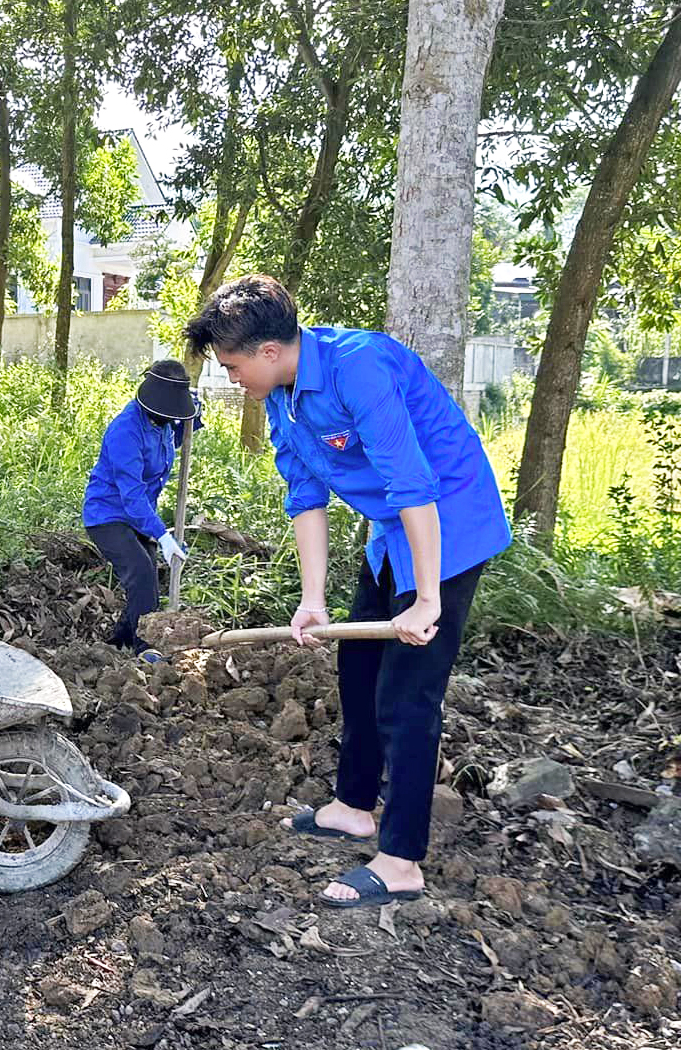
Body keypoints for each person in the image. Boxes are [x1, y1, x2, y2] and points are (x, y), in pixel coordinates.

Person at [182, 275, 511, 911]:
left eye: (232, 365)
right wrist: (313, 599)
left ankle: (400, 862)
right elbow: (305, 495)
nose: (229, 378)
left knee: (409, 696)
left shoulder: (358, 368)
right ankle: (353, 807)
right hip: (393, 528)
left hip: (448, 524)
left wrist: (428, 600)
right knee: (357, 667)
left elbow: (414, 482)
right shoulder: (282, 397)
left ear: (269, 351)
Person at [82, 360, 200, 662]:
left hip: (141, 514)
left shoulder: (161, 422)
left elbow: (173, 440)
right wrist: (162, 535)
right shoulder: (126, 430)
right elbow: (131, 494)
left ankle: (120, 638)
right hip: (108, 515)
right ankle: (144, 645)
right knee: (141, 571)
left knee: (148, 578)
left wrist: (191, 418)